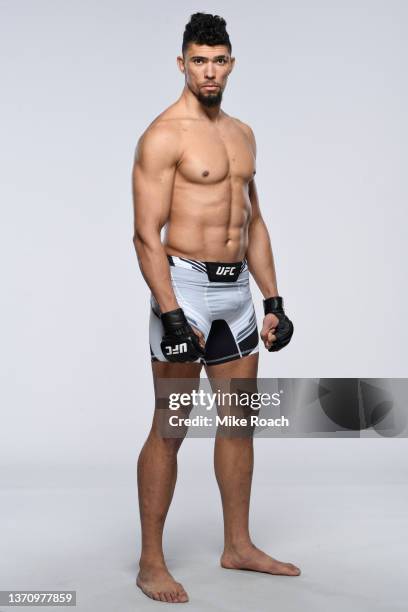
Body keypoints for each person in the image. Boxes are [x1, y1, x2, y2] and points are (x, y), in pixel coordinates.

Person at [131, 12, 299, 604]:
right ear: (182, 63)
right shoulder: (163, 134)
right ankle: (152, 561)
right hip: (187, 290)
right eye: (199, 60)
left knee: (238, 425)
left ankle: (238, 546)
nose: (209, 71)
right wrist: (171, 313)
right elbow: (146, 235)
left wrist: (273, 296)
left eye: (219, 60)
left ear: (231, 63)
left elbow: (253, 223)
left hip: (237, 297)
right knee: (172, 426)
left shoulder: (242, 134)